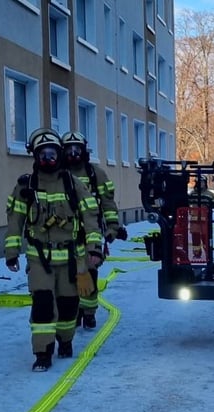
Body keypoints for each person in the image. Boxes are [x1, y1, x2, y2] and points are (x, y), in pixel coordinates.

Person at [5, 128, 104, 371]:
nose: (48, 160)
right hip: (40, 258)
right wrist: (11, 250)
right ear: (35, 157)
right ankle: (42, 353)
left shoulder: (73, 184)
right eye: (43, 155)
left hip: (71, 258)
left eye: (52, 155)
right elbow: (14, 220)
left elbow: (91, 216)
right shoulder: (26, 186)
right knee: (43, 304)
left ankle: (65, 340)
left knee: (69, 305)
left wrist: (94, 248)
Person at [61, 130, 127, 329]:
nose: (73, 154)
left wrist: (113, 227)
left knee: (88, 272)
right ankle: (72, 311)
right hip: (63, 234)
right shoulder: (56, 175)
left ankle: (88, 312)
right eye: (69, 150)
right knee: (65, 275)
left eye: (77, 149)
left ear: (84, 151)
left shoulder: (95, 174)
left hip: (89, 232)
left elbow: (107, 203)